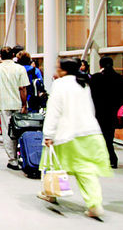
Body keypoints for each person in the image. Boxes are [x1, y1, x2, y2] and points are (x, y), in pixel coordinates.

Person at [39, 58, 111, 218]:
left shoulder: (60, 84)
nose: (56, 69)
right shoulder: (83, 82)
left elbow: (54, 111)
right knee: (87, 170)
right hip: (90, 132)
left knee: (53, 164)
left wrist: (49, 134)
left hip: (67, 134)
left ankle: (50, 193)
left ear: (63, 70)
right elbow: (90, 108)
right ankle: (94, 204)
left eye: (57, 67)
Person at [0, 46, 29, 170]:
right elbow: (23, 88)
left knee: (7, 132)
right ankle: (23, 155)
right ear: (13, 55)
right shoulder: (20, 68)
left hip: (4, 104)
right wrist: (24, 105)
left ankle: (13, 160)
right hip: (18, 104)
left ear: (0, 56)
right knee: (20, 131)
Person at [90, 56, 123, 169]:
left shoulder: (95, 78)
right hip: (113, 112)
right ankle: (111, 159)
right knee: (109, 136)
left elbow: (91, 95)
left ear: (100, 65)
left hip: (99, 112)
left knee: (100, 135)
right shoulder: (119, 78)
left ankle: (107, 158)